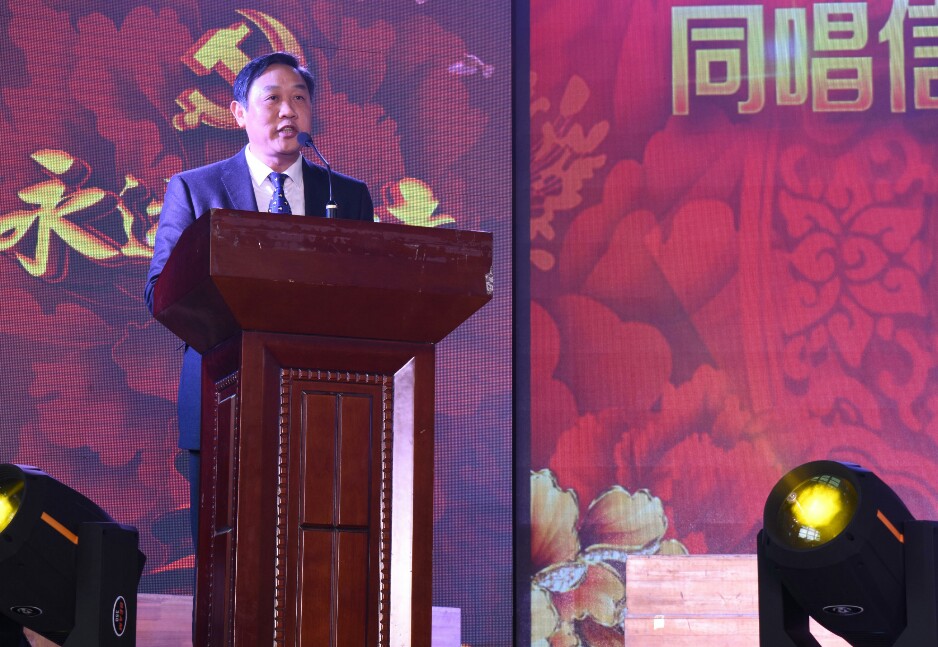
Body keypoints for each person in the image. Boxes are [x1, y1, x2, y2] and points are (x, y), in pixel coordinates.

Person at [144, 51, 374, 550]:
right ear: (239, 113)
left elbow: (368, 294)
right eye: (272, 99)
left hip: (323, 402)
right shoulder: (195, 189)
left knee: (316, 549)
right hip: (222, 393)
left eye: (299, 98)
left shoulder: (348, 196)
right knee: (223, 554)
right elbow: (160, 291)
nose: (288, 111)